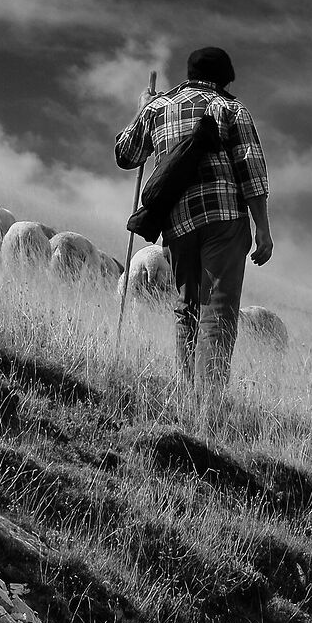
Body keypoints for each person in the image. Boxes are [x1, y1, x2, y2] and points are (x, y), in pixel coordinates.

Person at [114, 45, 273, 392]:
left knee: (187, 309)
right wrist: (262, 228)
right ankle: (210, 403)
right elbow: (251, 168)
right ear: (224, 80)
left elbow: (125, 155)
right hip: (224, 220)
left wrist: (141, 109)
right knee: (218, 309)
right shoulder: (229, 107)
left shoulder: (157, 108)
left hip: (177, 224)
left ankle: (188, 397)